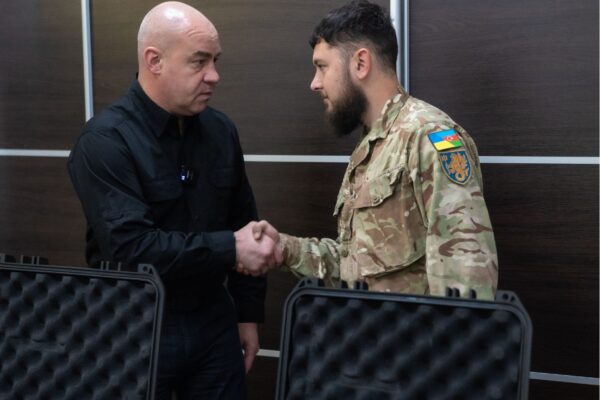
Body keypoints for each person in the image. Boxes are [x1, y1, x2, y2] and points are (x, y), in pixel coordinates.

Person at [68, 2, 280, 399]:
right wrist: (229, 247)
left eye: (215, 61)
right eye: (199, 61)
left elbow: (245, 222)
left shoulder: (221, 130)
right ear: (154, 61)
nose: (213, 75)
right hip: (135, 323)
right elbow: (132, 248)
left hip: (214, 322)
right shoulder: (105, 141)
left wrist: (248, 314)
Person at [246, 0, 498, 300]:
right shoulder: (371, 146)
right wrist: (284, 249)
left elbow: (467, 278)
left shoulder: (429, 137)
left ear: (361, 63)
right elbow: (357, 267)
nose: (315, 83)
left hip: (416, 332)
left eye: (322, 67)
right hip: (369, 330)